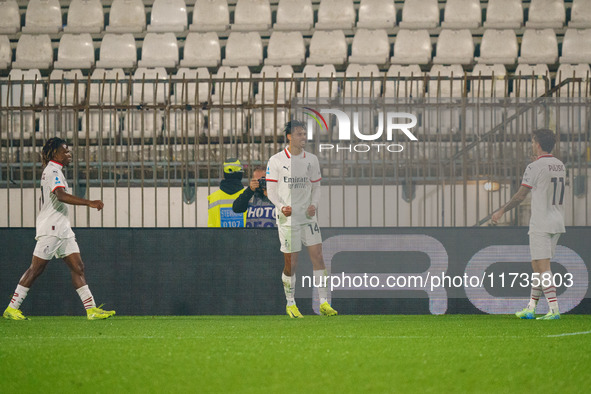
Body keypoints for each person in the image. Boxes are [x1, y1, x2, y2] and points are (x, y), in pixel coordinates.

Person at [3, 138, 115, 320]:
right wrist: (89, 202)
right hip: (51, 228)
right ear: (55, 153)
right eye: (66, 151)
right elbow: (60, 195)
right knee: (35, 269)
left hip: (62, 228)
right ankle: (12, 308)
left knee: (78, 267)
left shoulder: (57, 171)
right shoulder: (53, 171)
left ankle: (91, 310)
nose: (69, 154)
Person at [266, 120, 338, 318]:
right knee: (292, 263)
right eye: (299, 134)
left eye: (305, 134)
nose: (303, 137)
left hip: (308, 218)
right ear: (289, 137)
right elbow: (270, 191)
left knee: (318, 257)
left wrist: (314, 204)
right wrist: (281, 207)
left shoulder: (311, 160)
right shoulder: (276, 160)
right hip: (288, 219)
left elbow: (316, 186)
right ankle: (290, 303)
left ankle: (323, 302)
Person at [491, 129, 566, 320]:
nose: (532, 145)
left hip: (541, 222)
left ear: (538, 144)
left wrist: (501, 211)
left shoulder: (534, 167)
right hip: (557, 220)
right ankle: (531, 308)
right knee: (537, 265)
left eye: (533, 142)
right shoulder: (560, 165)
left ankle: (554, 310)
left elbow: (520, 195)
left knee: (543, 266)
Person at [207, 158, 247, 227]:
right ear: (240, 173)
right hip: (243, 237)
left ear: (224, 173)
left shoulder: (213, 198)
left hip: (220, 237)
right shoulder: (248, 196)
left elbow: (211, 226)